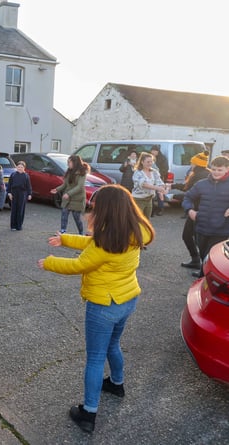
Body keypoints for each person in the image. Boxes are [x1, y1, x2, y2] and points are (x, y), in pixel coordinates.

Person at [37, 184, 155, 433]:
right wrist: (65, 239)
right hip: (127, 299)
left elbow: (80, 264)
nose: (93, 210)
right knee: (113, 345)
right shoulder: (135, 230)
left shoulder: (107, 241)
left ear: (107, 210)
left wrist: (48, 262)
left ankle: (88, 413)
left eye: (96, 207)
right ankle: (116, 383)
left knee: (95, 357)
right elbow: (94, 244)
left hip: (103, 305)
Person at [182, 155, 229, 278]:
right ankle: (203, 278)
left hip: (222, 231)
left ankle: (203, 284)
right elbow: (188, 197)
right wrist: (190, 210)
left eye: (220, 170)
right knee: (204, 256)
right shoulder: (201, 184)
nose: (216, 172)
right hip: (201, 228)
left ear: (227, 169)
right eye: (214, 169)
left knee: (212, 259)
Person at [177, 152, 210, 269]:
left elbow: (191, 193)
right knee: (196, 237)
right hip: (199, 209)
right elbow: (188, 188)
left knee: (190, 236)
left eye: (192, 162)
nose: (191, 164)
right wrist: (171, 186)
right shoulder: (204, 173)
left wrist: (174, 196)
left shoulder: (198, 176)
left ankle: (200, 263)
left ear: (196, 163)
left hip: (197, 210)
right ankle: (199, 262)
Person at [50, 154, 89, 234]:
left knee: (76, 218)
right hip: (67, 199)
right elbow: (65, 184)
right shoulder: (69, 171)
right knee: (64, 214)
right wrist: (57, 189)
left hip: (77, 199)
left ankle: (81, 233)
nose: (68, 164)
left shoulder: (82, 172)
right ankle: (63, 231)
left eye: (69, 162)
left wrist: (68, 194)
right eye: (67, 162)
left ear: (75, 162)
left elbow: (80, 186)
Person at [131, 152, 166, 220]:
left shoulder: (154, 172)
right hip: (138, 199)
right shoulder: (138, 172)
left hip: (149, 199)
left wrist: (161, 192)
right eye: (148, 162)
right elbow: (143, 184)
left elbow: (160, 182)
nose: (150, 163)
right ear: (142, 162)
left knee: (147, 220)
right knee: (138, 220)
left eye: (151, 161)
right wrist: (157, 188)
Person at [7, 161, 32, 231]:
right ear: (16, 167)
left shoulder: (26, 176)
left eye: (21, 167)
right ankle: (13, 225)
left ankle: (19, 225)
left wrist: (29, 194)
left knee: (20, 209)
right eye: (18, 167)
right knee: (14, 209)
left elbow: (28, 186)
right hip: (14, 193)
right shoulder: (13, 175)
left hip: (22, 194)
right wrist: (9, 193)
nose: (20, 168)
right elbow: (9, 185)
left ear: (24, 168)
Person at [150, 145, 169, 216]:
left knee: (159, 194)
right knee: (151, 193)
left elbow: (165, 169)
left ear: (158, 151)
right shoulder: (149, 157)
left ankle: (161, 208)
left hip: (159, 178)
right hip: (150, 178)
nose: (153, 152)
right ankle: (152, 209)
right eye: (152, 150)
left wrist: (158, 174)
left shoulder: (162, 158)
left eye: (155, 150)